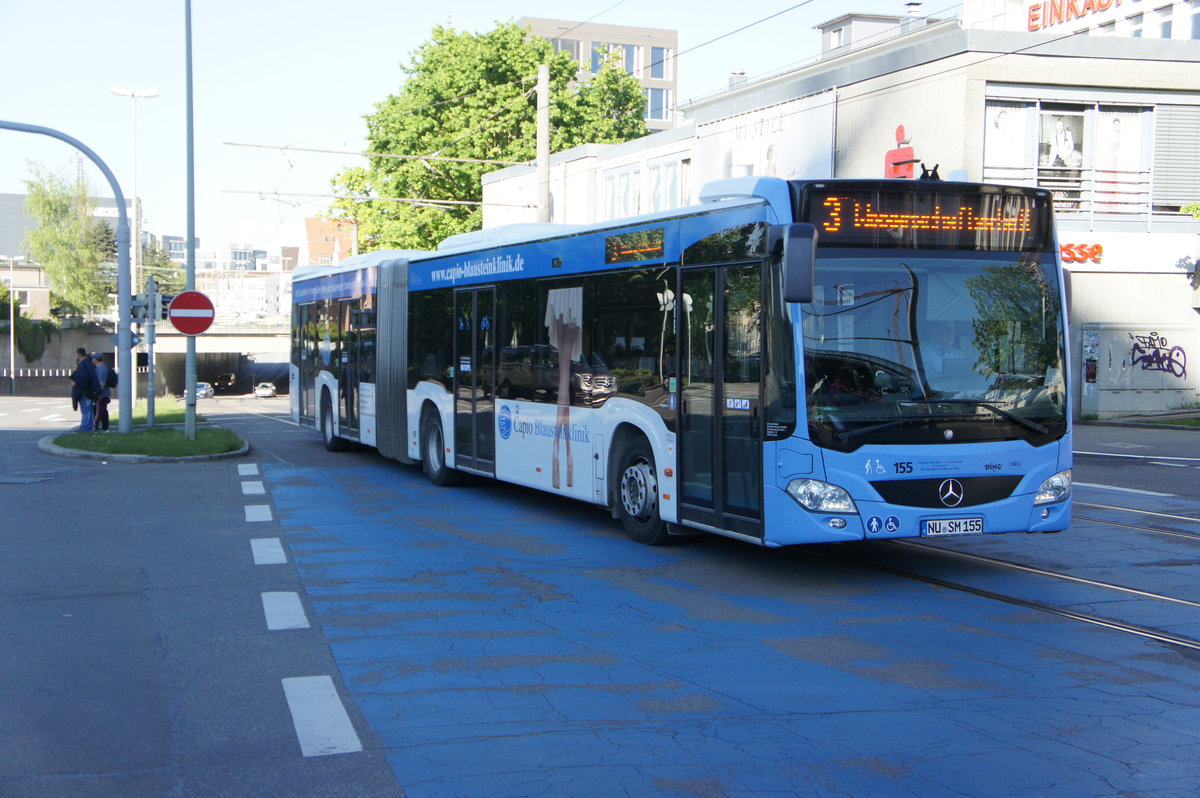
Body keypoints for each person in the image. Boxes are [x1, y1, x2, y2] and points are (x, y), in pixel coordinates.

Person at [69, 347, 100, 432]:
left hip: (84, 391)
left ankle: (85, 428)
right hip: (88, 390)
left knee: (86, 410)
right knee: (88, 409)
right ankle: (89, 427)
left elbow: (83, 378)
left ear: (79, 354)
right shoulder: (89, 364)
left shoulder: (84, 365)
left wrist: (77, 383)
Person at [91, 353, 112, 432]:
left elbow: (101, 382)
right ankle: (104, 427)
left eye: (93, 359)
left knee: (99, 411)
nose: (92, 360)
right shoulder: (100, 368)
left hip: (101, 394)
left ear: (96, 359)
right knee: (102, 411)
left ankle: (96, 426)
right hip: (102, 394)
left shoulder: (101, 368)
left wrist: (96, 393)